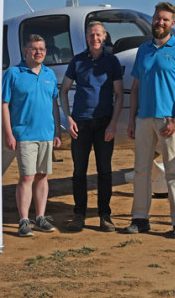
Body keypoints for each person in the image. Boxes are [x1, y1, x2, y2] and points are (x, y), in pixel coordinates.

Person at [124, 2, 175, 239]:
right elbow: (135, 88)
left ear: (172, 24)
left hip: (169, 121)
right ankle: (140, 218)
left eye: (165, 20)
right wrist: (133, 119)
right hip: (144, 118)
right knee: (141, 171)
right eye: (158, 18)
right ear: (153, 20)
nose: (160, 22)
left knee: (173, 172)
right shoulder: (143, 50)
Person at [60, 21, 123, 232]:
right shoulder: (77, 61)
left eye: (98, 35)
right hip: (81, 123)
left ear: (105, 37)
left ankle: (105, 215)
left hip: (104, 122)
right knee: (79, 172)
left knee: (105, 171)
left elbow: (119, 94)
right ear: (86, 38)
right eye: (90, 35)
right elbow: (64, 90)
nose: (94, 38)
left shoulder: (112, 62)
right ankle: (79, 216)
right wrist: (68, 118)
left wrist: (113, 123)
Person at [2, 34, 62, 237]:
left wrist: (57, 131)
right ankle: (23, 220)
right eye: (34, 49)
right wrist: (8, 133)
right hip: (24, 134)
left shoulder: (50, 74)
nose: (39, 52)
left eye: (42, 49)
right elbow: (4, 104)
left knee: (42, 176)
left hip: (46, 134)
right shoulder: (13, 73)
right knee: (26, 177)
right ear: (25, 51)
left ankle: (40, 218)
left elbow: (54, 103)